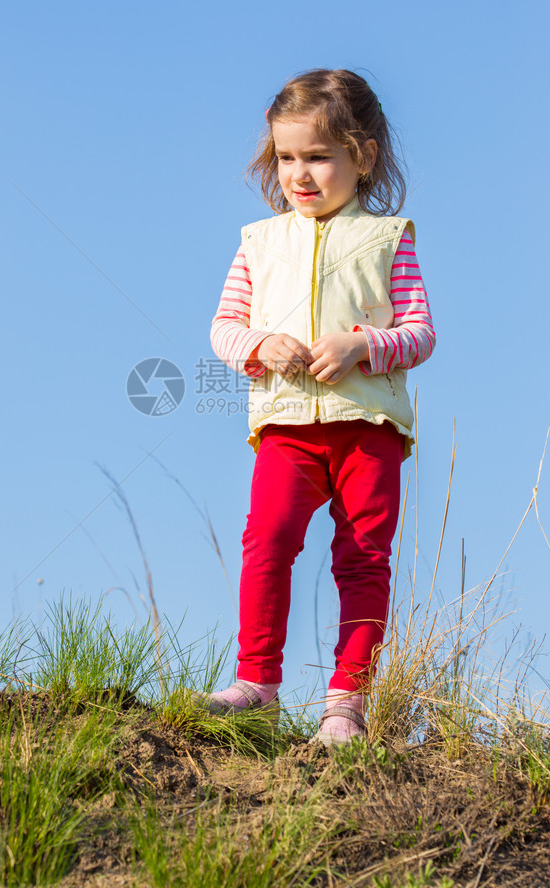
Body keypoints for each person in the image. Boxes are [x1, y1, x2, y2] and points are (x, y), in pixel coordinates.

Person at [200, 69, 435, 746]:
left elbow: (419, 333)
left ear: (360, 158)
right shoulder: (258, 242)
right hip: (286, 428)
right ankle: (256, 684)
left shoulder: (390, 238)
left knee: (362, 556)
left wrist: (363, 344)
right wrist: (261, 343)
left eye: (317, 157)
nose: (299, 175)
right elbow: (222, 329)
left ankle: (345, 703)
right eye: (286, 157)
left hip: (368, 431)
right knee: (267, 540)